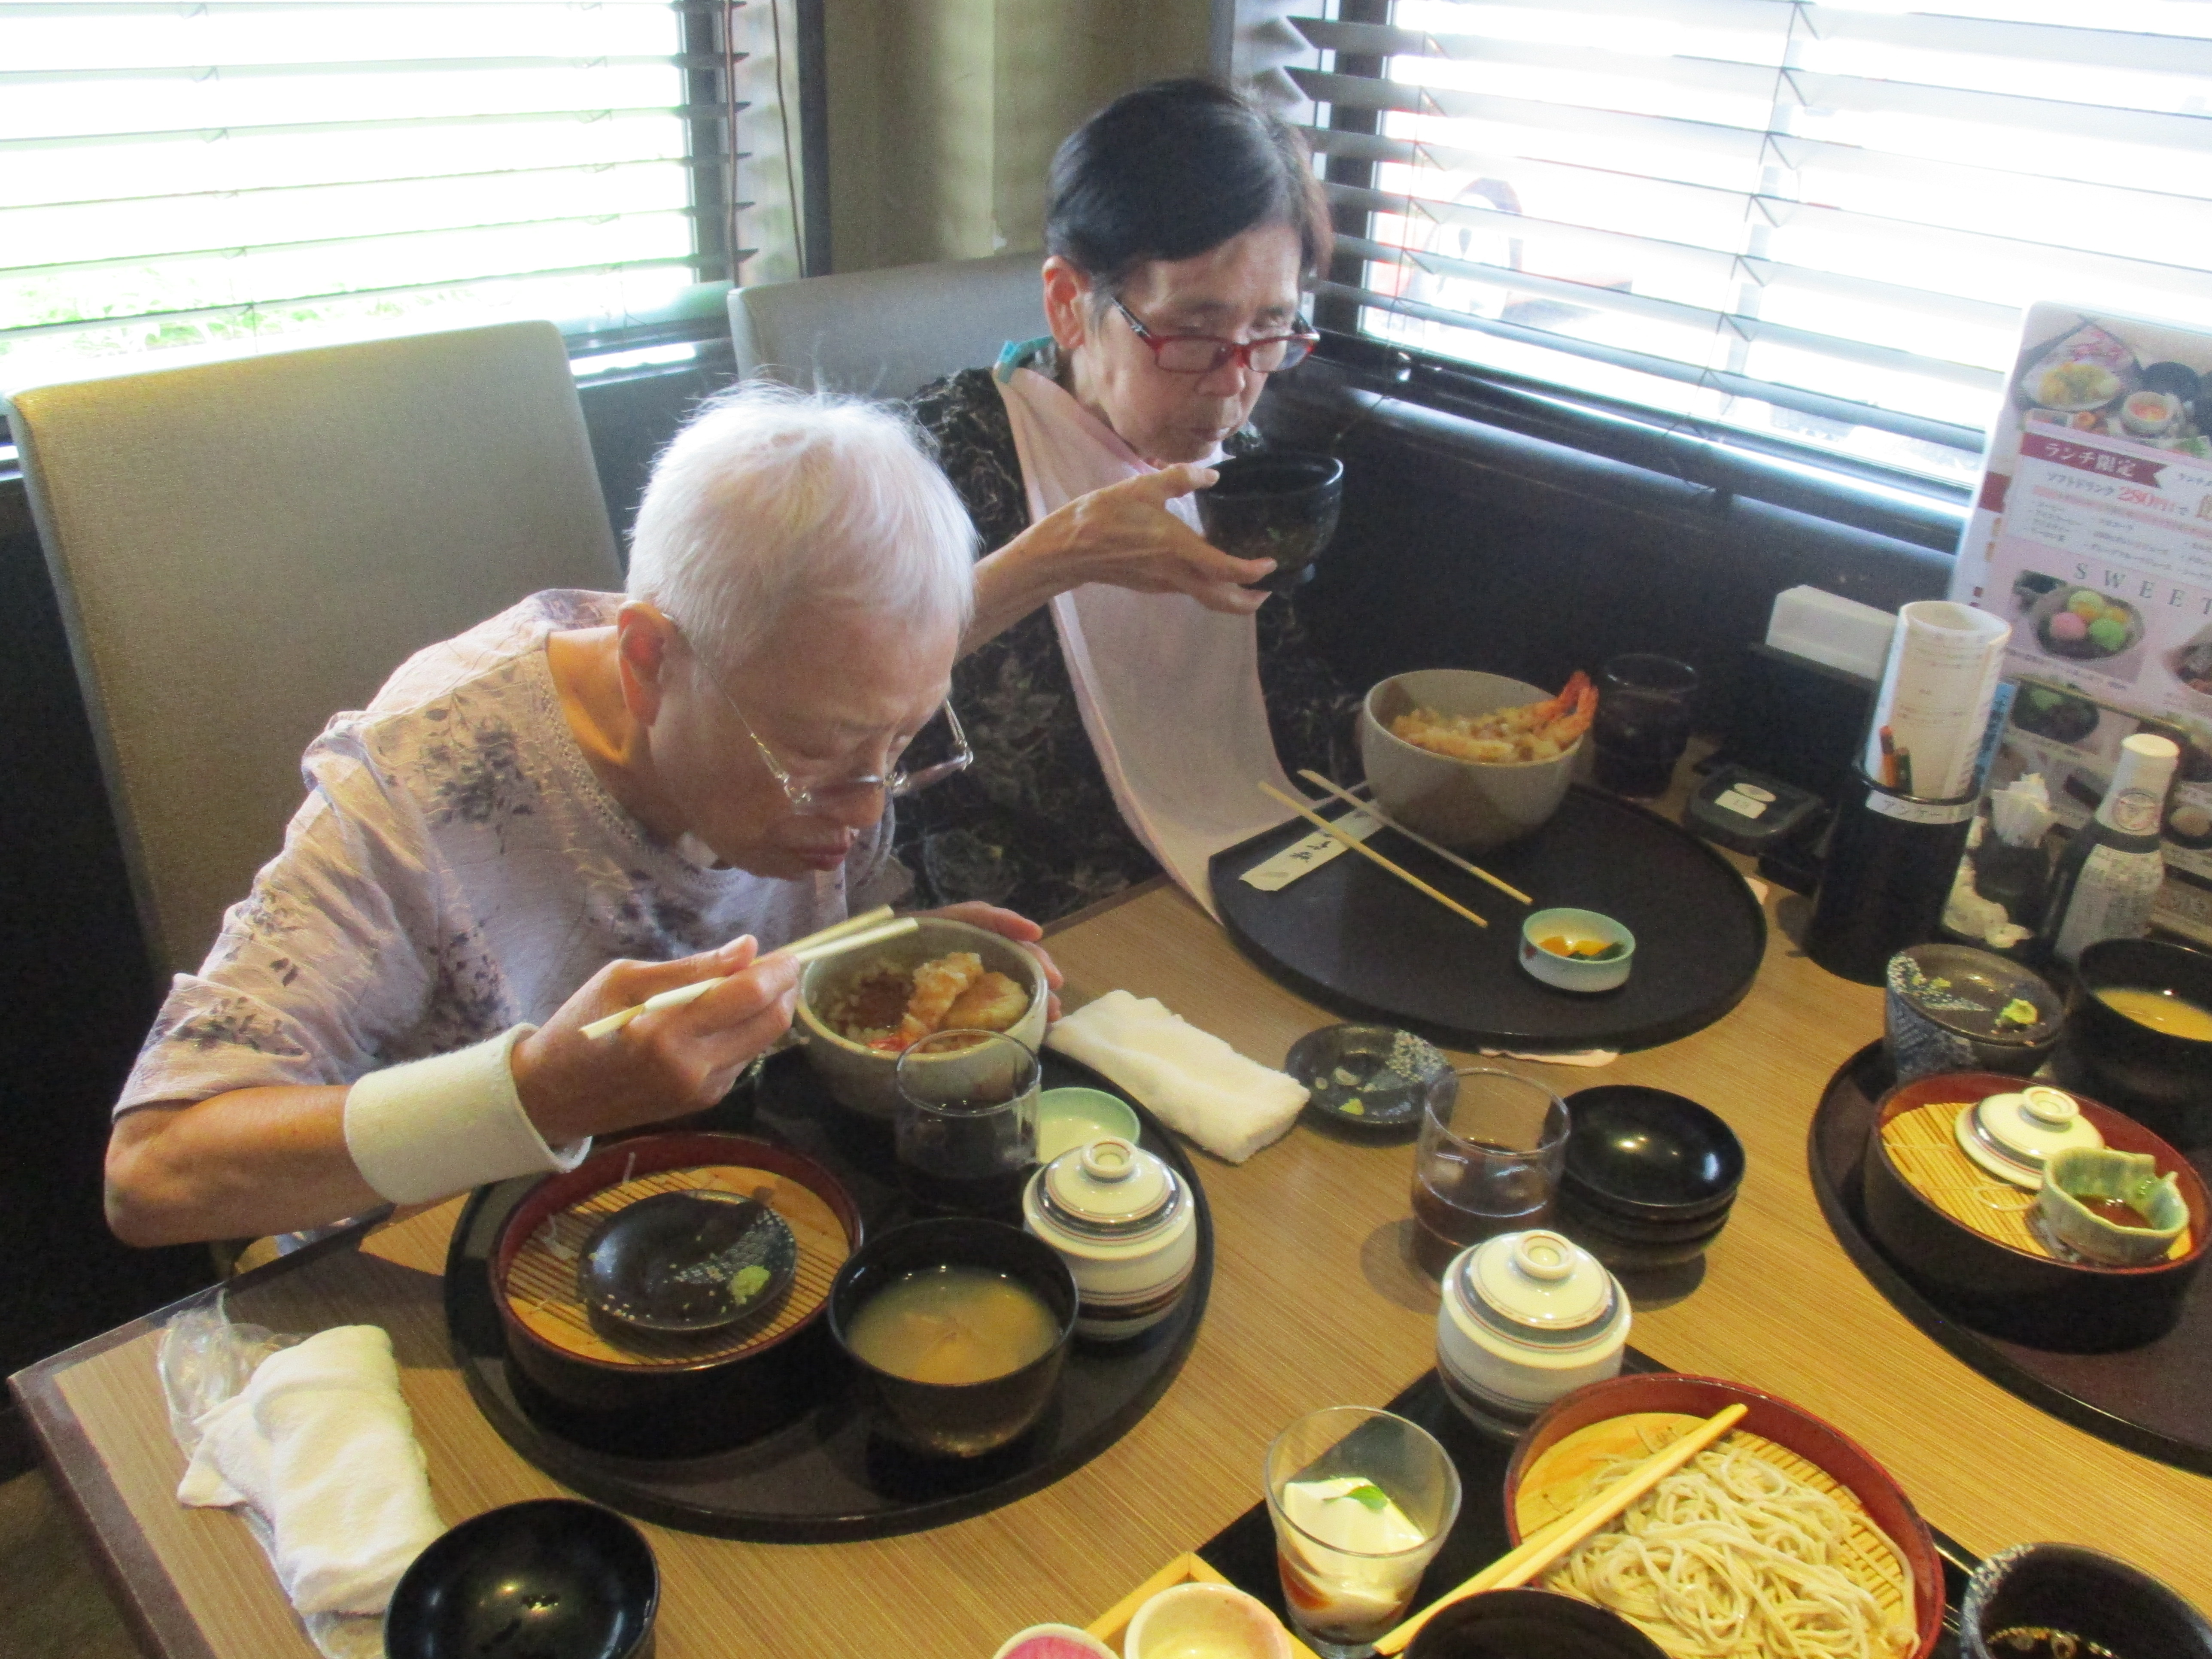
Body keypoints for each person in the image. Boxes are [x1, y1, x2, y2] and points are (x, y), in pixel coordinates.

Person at [104, 386, 1059, 1248]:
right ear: (646, 661)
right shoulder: (421, 783)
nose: (865, 806)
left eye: (901, 741)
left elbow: (793, 982)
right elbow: (154, 1173)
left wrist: (889, 969)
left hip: (724, 1219)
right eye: (815, 752)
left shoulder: (828, 698)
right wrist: (535, 1094)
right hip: (434, 1279)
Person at [905, 78, 1360, 921]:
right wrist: (1059, 555)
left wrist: (1414, 747)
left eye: (1270, 331)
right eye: (1191, 332)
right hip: (1027, 916)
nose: (1234, 384)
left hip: (1234, 868)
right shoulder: (929, 462)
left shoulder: (1246, 469)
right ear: (1067, 305)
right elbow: (822, 711)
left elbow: (1279, 695)